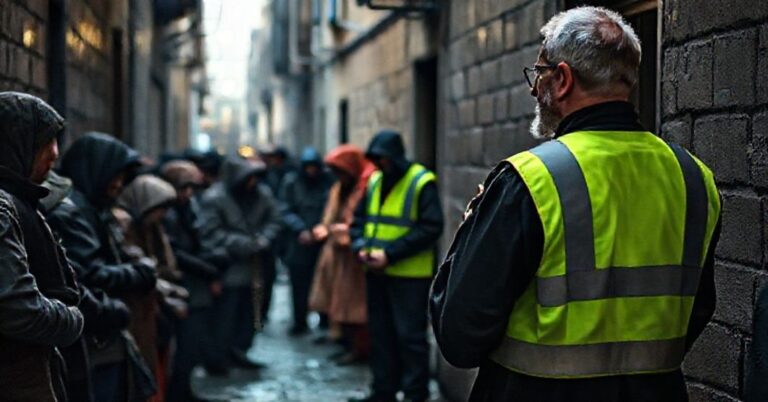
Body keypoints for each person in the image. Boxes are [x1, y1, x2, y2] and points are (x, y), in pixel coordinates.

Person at [429, 7, 722, 402]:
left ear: (563, 79)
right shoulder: (694, 178)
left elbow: (459, 335)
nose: (536, 89)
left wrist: (470, 229)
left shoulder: (529, 180)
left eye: (540, 73)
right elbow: (699, 309)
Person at [49, 132, 158, 402]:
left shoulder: (92, 207)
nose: (118, 185)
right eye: (115, 175)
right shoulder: (73, 210)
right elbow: (91, 273)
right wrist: (141, 273)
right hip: (94, 336)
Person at [0, 92, 85, 402]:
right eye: (44, 142)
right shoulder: (4, 206)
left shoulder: (24, 202)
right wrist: (72, 319)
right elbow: (18, 310)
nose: (54, 154)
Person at [349, 130, 444, 402]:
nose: (379, 164)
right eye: (376, 159)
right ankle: (384, 391)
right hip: (376, 272)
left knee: (410, 338)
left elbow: (431, 227)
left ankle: (415, 393)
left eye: (383, 159)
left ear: (395, 157)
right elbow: (358, 220)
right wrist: (360, 248)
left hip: (409, 276)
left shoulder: (421, 181)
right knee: (381, 335)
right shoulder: (376, 180)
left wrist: (389, 254)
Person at [197, 156, 281, 374]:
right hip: (229, 268)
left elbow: (274, 218)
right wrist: (245, 244)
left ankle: (239, 351)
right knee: (226, 317)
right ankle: (219, 358)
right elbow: (210, 233)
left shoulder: (262, 195)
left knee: (251, 315)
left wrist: (263, 239)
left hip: (257, 268)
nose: (252, 183)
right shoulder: (215, 198)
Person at [117, 174, 189, 402]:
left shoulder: (151, 227)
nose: (162, 214)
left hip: (150, 311)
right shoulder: (126, 224)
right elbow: (142, 268)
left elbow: (161, 264)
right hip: (136, 311)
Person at [161, 160, 226, 401]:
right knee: (183, 345)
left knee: (191, 344)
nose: (187, 194)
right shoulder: (168, 213)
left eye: (190, 189)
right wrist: (208, 268)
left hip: (194, 283)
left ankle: (184, 391)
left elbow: (195, 243)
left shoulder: (188, 208)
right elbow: (176, 253)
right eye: (182, 188)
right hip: (181, 284)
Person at [309, 144, 376, 364]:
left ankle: (359, 349)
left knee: (354, 308)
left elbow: (356, 224)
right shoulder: (340, 188)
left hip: (353, 258)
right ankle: (347, 344)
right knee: (339, 304)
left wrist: (332, 231)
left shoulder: (363, 187)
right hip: (338, 256)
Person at [279, 147, 333, 335]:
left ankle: (325, 319)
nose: (311, 171)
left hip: (322, 241)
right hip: (299, 243)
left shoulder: (327, 182)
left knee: (324, 282)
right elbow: (284, 209)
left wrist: (323, 228)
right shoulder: (292, 182)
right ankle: (299, 321)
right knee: (299, 284)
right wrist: (300, 229)